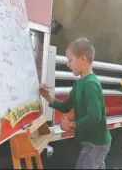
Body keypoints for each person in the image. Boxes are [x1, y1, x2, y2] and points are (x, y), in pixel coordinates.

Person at [39, 37, 112, 169]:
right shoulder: (79, 84)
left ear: (83, 59)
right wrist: (48, 97)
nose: (68, 64)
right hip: (90, 142)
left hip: (96, 143)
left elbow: (95, 116)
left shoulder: (90, 84)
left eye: (70, 60)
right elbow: (66, 106)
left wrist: (72, 126)